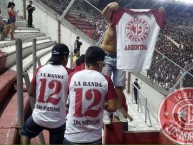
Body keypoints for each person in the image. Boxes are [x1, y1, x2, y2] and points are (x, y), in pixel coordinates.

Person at [64, 46, 117, 144]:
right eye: (103, 64)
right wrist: (101, 104)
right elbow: (113, 107)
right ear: (99, 63)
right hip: (93, 138)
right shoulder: (106, 79)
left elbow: (63, 99)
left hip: (72, 135)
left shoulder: (72, 76)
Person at [21, 43, 71, 144]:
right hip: (58, 121)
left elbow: (30, 92)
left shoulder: (40, 69)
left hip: (39, 116)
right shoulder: (69, 73)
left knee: (25, 133)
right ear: (64, 57)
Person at [101, 2, 127, 124]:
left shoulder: (128, 27)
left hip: (121, 57)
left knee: (119, 85)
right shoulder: (113, 22)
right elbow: (104, 14)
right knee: (105, 83)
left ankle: (117, 110)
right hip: (106, 56)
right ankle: (106, 111)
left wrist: (158, 13)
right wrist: (108, 6)